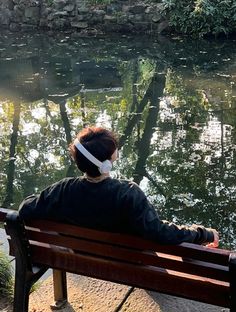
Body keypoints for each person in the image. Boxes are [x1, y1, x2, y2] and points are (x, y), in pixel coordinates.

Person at [19, 126, 219, 246]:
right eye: (114, 151)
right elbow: (159, 232)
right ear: (106, 163)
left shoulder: (63, 189)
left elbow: (25, 208)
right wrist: (203, 233)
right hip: (130, 263)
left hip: (81, 258)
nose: (116, 152)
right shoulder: (128, 193)